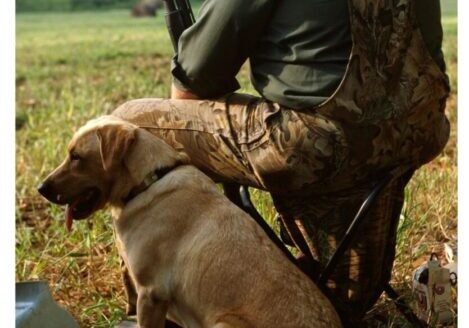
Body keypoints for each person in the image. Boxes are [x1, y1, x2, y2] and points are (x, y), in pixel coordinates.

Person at [113, 0, 450, 324]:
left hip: (319, 143)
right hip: (414, 131)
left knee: (131, 124)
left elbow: (198, 74)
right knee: (337, 304)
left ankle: (152, 306)